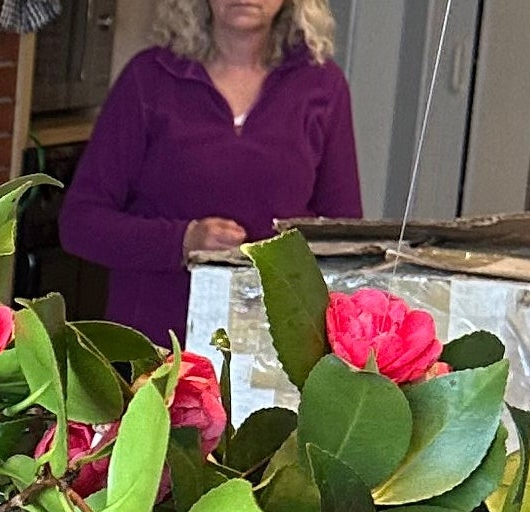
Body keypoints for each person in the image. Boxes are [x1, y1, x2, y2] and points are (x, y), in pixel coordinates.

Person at [59, 0, 361, 343]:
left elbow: (345, 240)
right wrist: (183, 241)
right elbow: (80, 224)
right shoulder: (149, 78)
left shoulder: (323, 85)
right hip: (155, 347)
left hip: (275, 349)